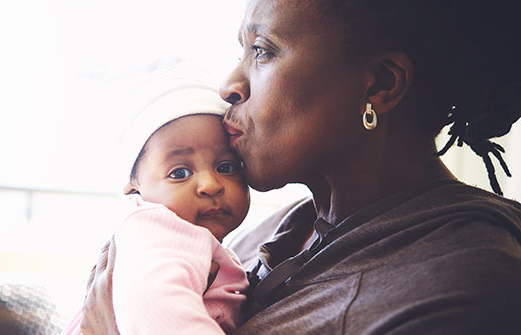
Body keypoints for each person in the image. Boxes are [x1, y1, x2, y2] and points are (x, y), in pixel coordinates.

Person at [81, 1, 521, 334]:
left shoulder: (463, 289)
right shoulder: (273, 230)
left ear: (380, 85)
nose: (230, 86)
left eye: (262, 51)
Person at [65, 84, 250, 335]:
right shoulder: (153, 233)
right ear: (135, 187)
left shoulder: (192, 244)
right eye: (180, 173)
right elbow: (159, 310)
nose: (210, 185)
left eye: (226, 167)